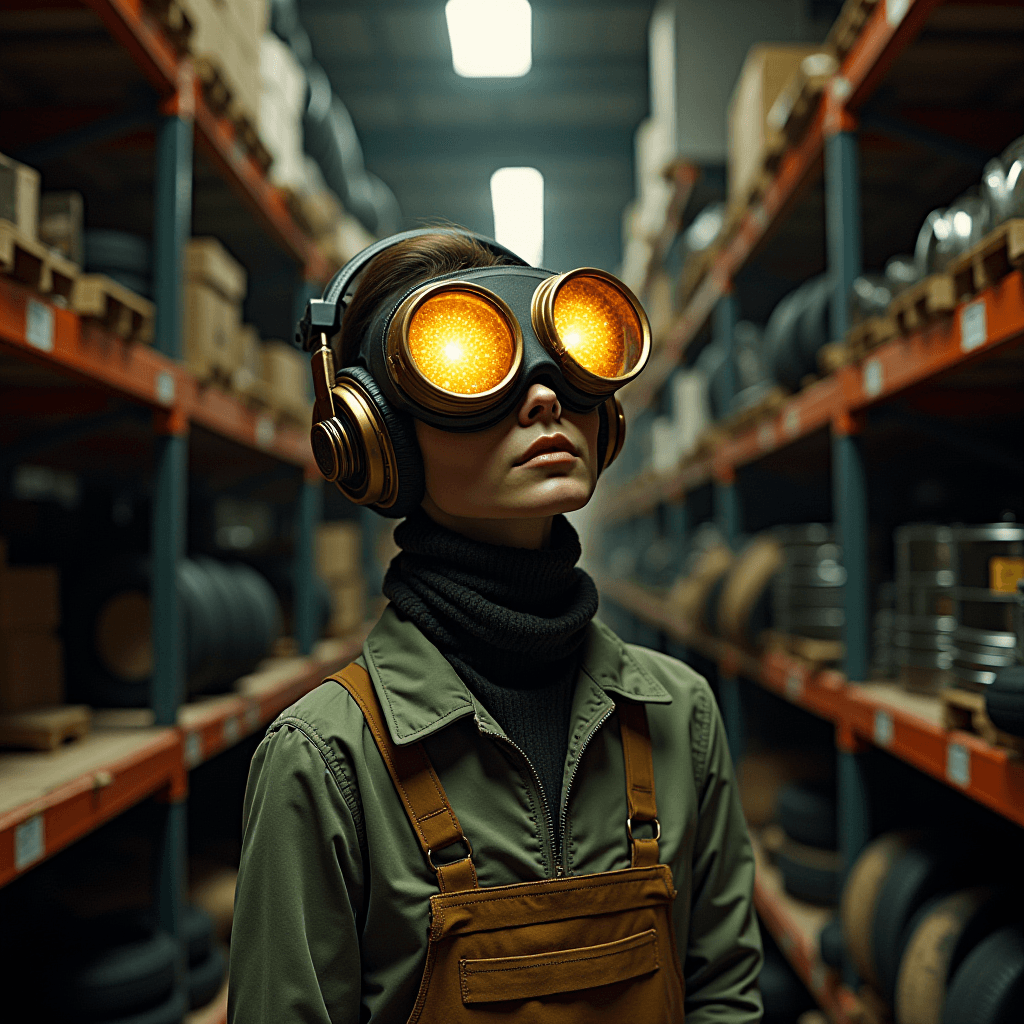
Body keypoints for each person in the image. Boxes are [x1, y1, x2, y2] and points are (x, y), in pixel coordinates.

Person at [228, 229, 763, 1023]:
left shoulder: (677, 714)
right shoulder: (325, 759)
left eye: (564, 363)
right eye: (473, 364)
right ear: (376, 438)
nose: (545, 398)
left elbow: (723, 996)